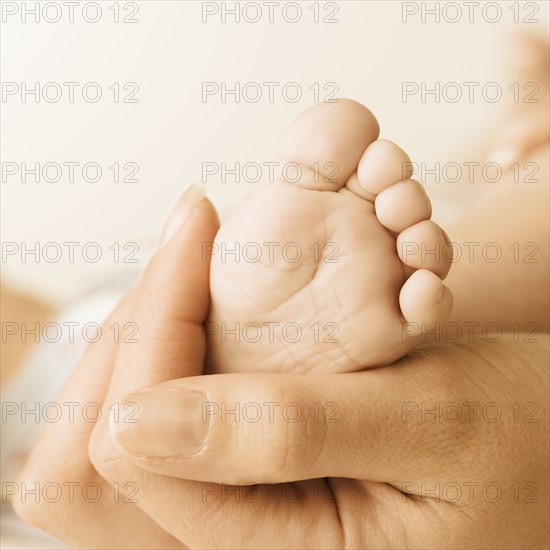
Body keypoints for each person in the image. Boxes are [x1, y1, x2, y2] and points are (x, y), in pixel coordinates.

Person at [13, 92, 549, 548]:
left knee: (480, 219)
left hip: (81, 330)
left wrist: (515, 120)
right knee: (506, 222)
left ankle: (244, 364)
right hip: (82, 350)